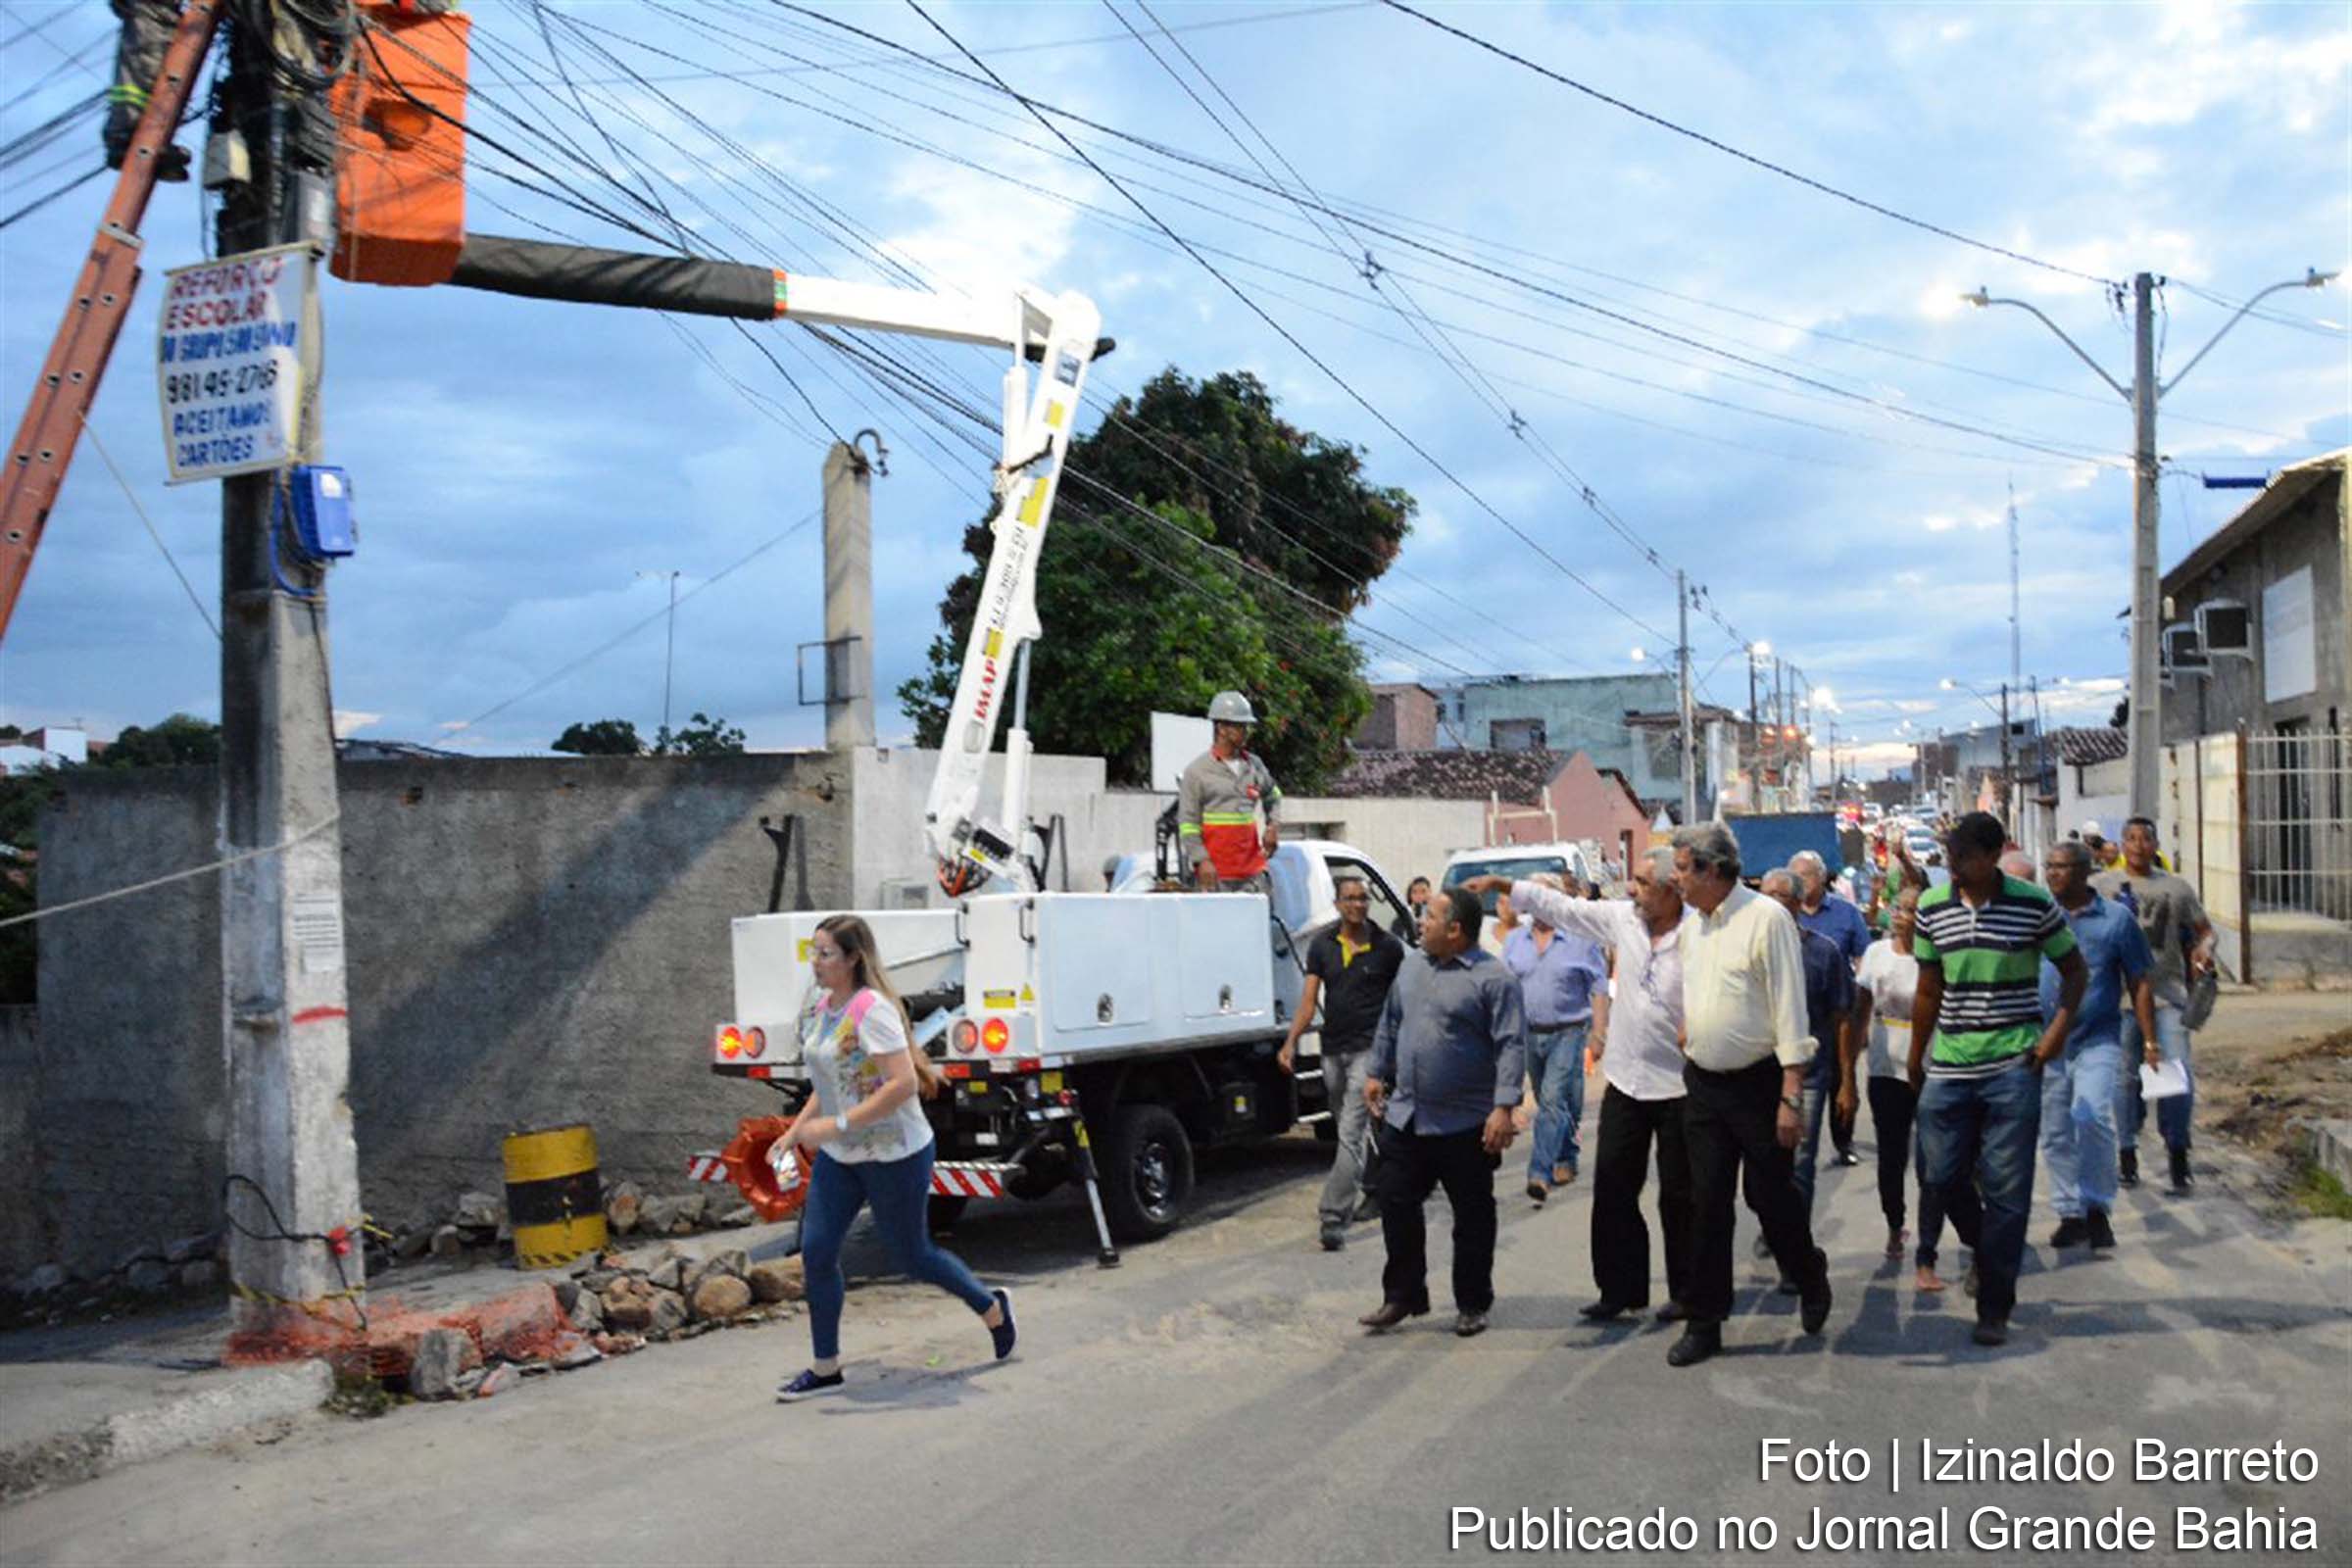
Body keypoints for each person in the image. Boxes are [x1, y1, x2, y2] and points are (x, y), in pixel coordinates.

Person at [774, 915, 1013, 1401]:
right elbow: (828, 1082)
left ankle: (990, 1306)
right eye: (813, 952)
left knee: (912, 1256)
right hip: (842, 1156)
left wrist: (836, 1125)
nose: (815, 962)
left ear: (852, 958)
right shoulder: (820, 1008)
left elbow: (903, 1083)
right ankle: (826, 1368)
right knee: (817, 1252)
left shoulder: (872, 1010)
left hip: (895, 1153)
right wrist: (794, 1133)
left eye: (825, 953)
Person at [1470, 852, 1693, 1324]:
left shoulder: (1698, 932)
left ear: (1673, 889)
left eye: (1643, 882)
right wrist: (1501, 884)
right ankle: (1620, 1290)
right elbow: (1564, 908)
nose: (1631, 889)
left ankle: (1688, 1293)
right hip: (1627, 1081)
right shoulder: (1624, 920)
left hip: (1680, 1085)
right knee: (1612, 1186)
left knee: (1679, 1196)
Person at [1909, 812, 2086, 1348]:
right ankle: (1987, 1253)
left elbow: (2075, 970)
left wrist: (2054, 1036)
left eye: (1963, 858)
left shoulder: (2033, 904)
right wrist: (1916, 1057)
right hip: (1950, 1064)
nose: (1953, 867)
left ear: (1992, 857)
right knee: (1940, 1176)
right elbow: (1928, 988)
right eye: (1949, 857)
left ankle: (1994, 1307)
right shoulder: (1932, 906)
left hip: (2013, 1064)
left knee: (2008, 1192)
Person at [1664, 823, 1831, 1368]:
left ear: (1712, 869)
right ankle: (1705, 1321)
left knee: (1771, 1197)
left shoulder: (1766, 919)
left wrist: (1791, 1094)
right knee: (1707, 1203)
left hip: (1759, 1085)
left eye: (1683, 869)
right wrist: (1693, 1027)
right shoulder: (1694, 926)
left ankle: (1808, 1271)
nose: (1675, 879)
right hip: (1704, 1085)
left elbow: (1790, 1007)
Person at [1359, 888, 1527, 1339]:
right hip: (1408, 1115)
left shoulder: (1494, 979)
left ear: (1455, 930)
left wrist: (1504, 1107)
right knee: (1395, 1200)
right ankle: (1403, 1295)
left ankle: (1472, 1302)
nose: (1420, 923)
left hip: (1466, 1122)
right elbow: (1391, 1021)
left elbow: (1511, 1045)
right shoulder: (1412, 966)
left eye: (1430, 917)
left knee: (1472, 1216)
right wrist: (1376, 1071)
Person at [1840, 886, 1981, 1290]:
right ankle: (1895, 1224)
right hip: (1886, 1068)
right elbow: (1859, 1013)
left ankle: (1928, 1254)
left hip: (1935, 1067)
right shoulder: (1876, 954)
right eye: (1899, 908)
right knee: (1891, 1156)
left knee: (1934, 1166)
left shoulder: (1940, 957)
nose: (1903, 916)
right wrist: (1847, 1077)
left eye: (1913, 910)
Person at [2039, 841, 2156, 1252]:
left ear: (2085, 871)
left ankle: (2097, 1208)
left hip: (2097, 1038)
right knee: (2055, 1131)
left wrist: (2150, 1038)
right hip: (2046, 1043)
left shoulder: (2117, 920)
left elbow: (2139, 980)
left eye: (2062, 867)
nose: (2053, 874)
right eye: (2049, 866)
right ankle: (2069, 1213)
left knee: (2090, 1115)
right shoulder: (2040, 916)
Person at [1278, 876, 1406, 1251]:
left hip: (1370, 1052)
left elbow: (1402, 1001)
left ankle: (1333, 1216)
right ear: (1337, 904)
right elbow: (1308, 1001)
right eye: (1350, 898)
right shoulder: (1323, 945)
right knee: (1348, 1129)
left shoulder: (1387, 947)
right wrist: (1290, 1042)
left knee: (1351, 1131)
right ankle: (1378, 1187)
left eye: (1363, 898)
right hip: (1333, 1050)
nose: (1357, 905)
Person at [2097, 816, 2216, 1195]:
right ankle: (2127, 1151)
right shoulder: (2101, 888)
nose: (2138, 845)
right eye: (2131, 838)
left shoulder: (2176, 888)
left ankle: (2178, 1150)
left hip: (2167, 995)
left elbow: (2205, 930)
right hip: (2119, 999)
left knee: (2175, 1075)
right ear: (2121, 845)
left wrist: (2204, 950)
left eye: (2145, 838)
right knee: (2124, 1078)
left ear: (2155, 844)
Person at [1760, 869, 1856, 1288]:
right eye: (1765, 895)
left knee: (1799, 1164)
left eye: (1780, 897)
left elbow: (1842, 1017)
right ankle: (1778, 1226)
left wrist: (1847, 1080)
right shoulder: (1750, 949)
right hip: (1757, 1075)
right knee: (1762, 1170)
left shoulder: (1823, 953)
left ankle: (1794, 1260)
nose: (1771, 904)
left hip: (1809, 1076)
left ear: (1798, 904)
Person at [1498, 872, 1606, 1200]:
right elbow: (1504, 988)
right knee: (1558, 1102)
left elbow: (1599, 986)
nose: (1537, 904)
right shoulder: (1515, 940)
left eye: (1543, 897)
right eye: (1531, 897)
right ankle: (1565, 1156)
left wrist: (1599, 1032)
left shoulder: (1579, 937)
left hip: (1569, 1031)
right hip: (1529, 1033)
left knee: (1552, 1099)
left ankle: (1539, 1173)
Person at [1789, 850, 1868, 1166]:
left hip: (1837, 1008)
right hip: (1798, 1006)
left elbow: (1862, 957)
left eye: (1806, 875)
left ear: (1822, 877)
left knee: (1840, 1073)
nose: (1801, 882)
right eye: (1796, 876)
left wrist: (1860, 999)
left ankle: (1843, 1140)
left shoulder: (1846, 913)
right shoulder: (1785, 914)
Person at [1176, 691, 1282, 892]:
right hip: (1215, 875)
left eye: (1246, 726)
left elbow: (1273, 795)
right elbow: (1188, 824)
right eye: (1240, 726)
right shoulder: (1197, 772)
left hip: (1252, 874)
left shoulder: (1254, 765)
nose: (1246, 732)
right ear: (1221, 728)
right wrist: (1201, 859)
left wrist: (1273, 826)